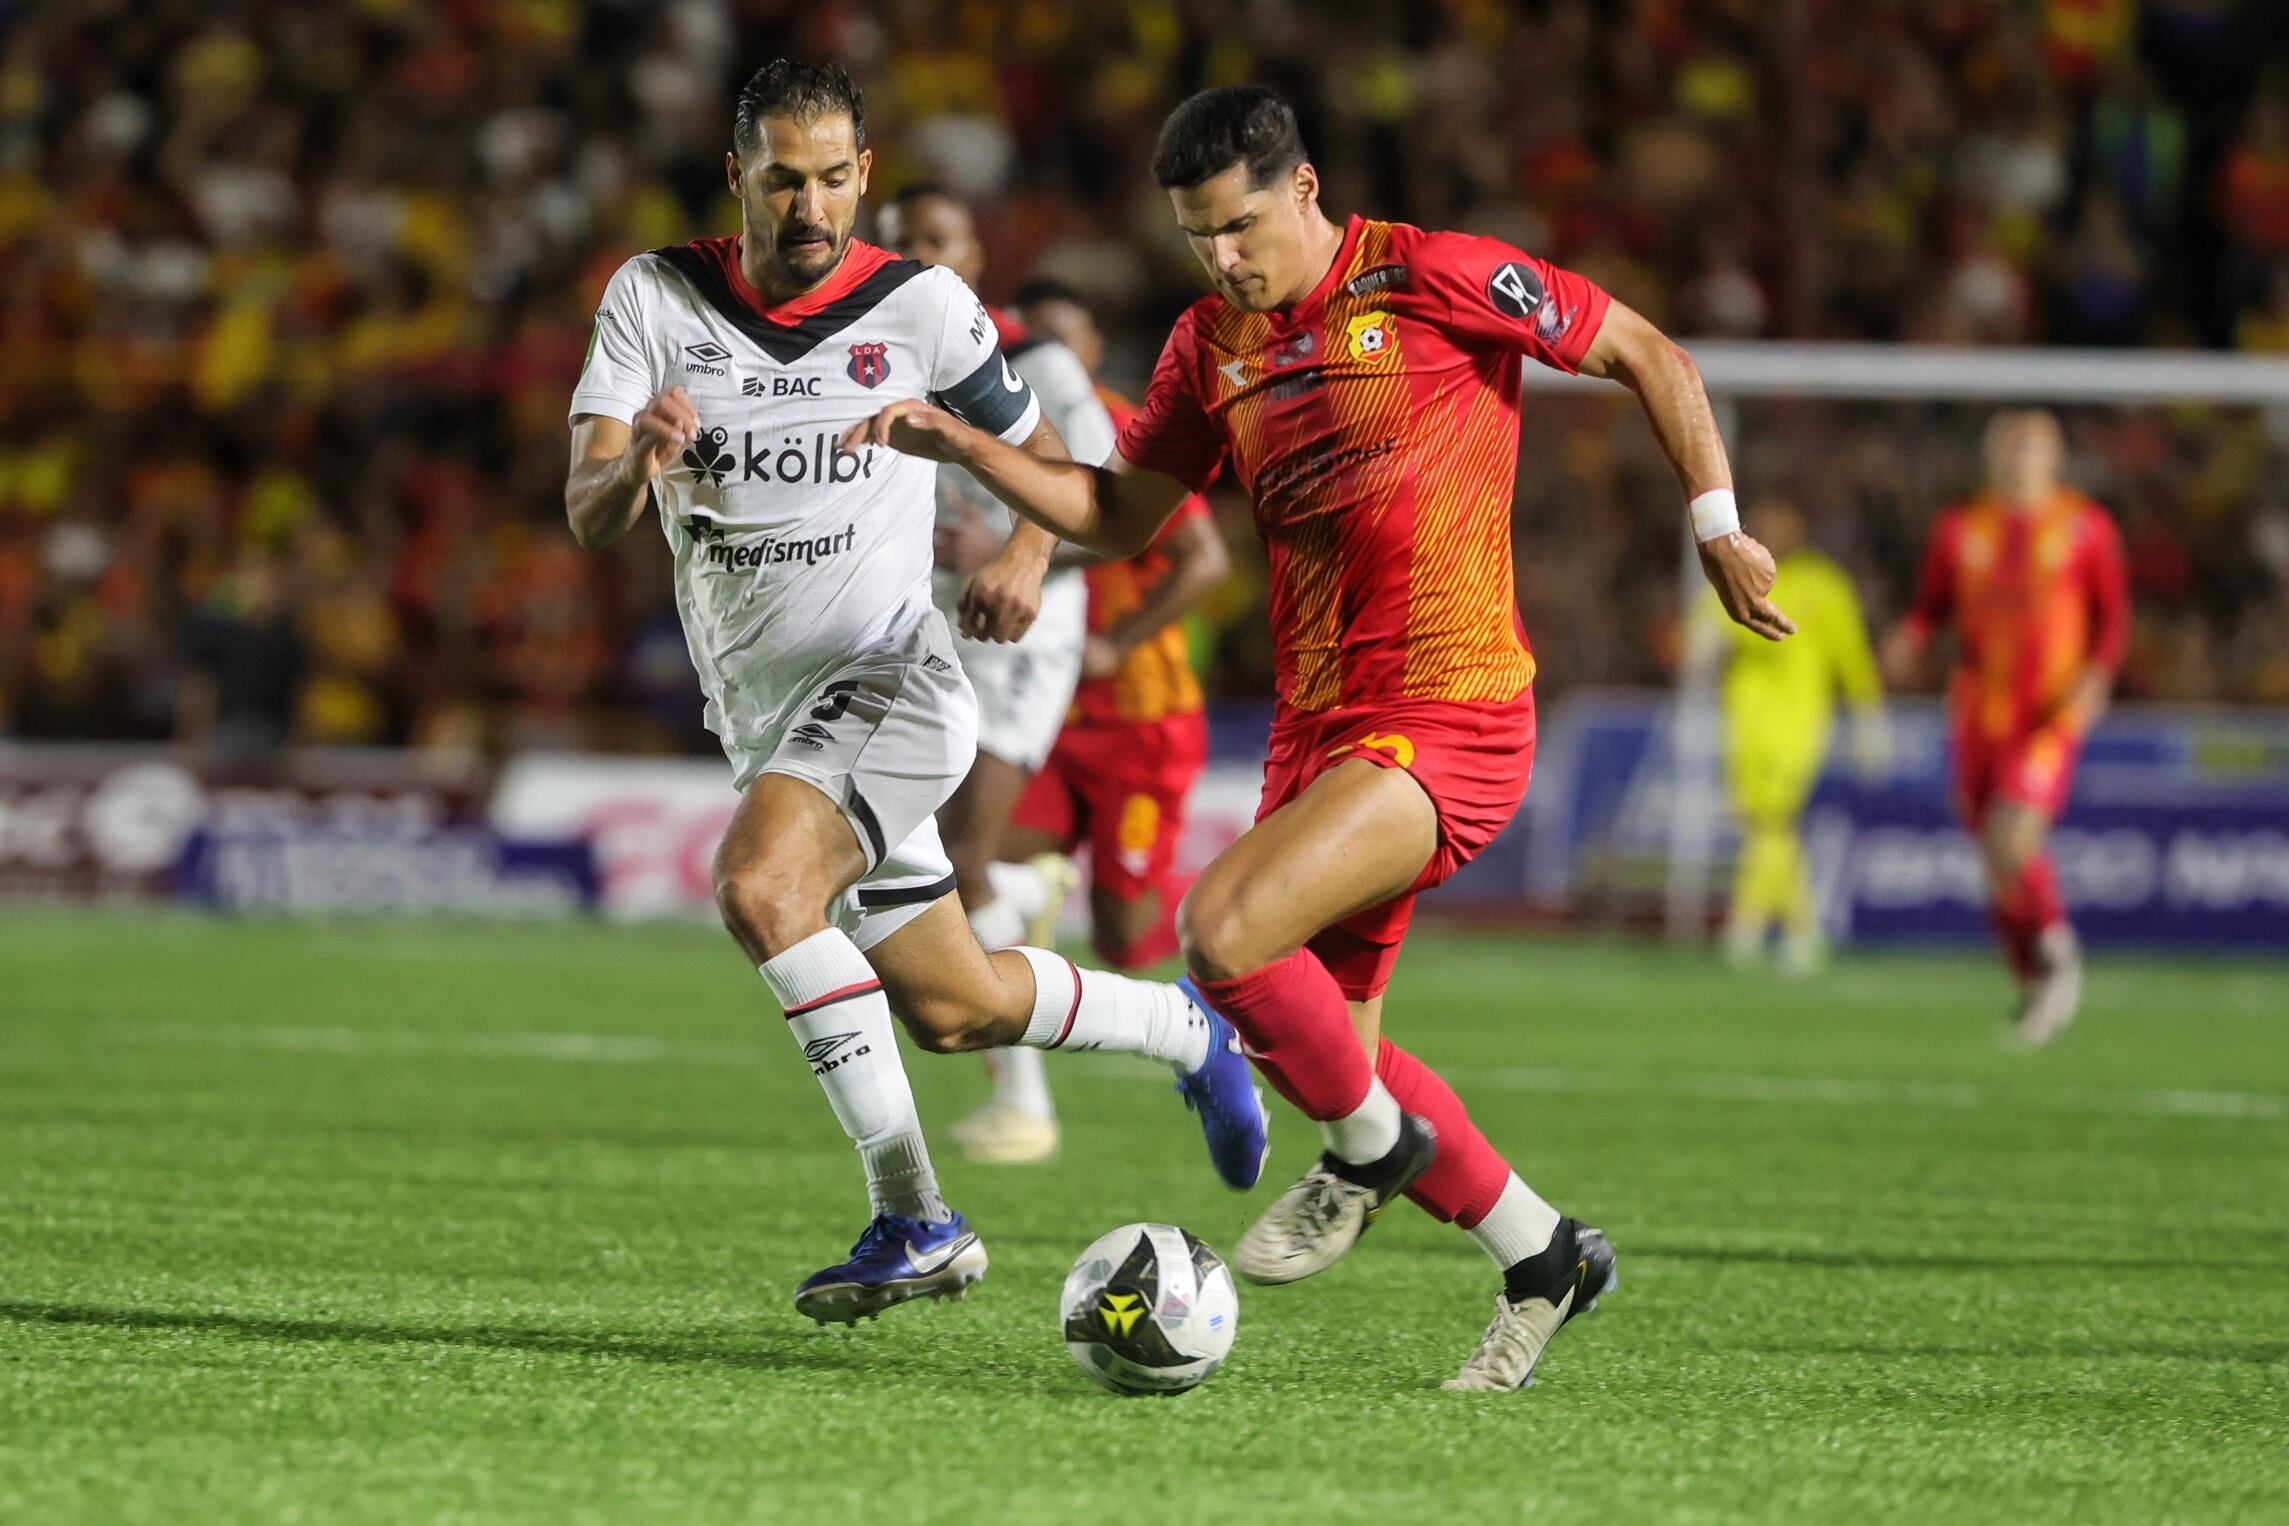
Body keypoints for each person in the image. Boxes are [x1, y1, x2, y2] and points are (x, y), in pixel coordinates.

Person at [845, 85, 1792, 1389]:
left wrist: (1716, 525)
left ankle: (1369, 1155)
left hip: (1452, 711)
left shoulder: (1433, 276)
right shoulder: (1207, 344)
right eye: (1195, 236)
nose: (1223, 257)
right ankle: (1544, 1253)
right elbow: (1122, 518)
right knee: (1335, 1051)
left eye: (1239, 225)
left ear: (1303, 190)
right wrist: (964, 442)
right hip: (1320, 728)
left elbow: (1648, 352)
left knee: (1221, 931)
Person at [562, 60, 1267, 1327]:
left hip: (891, 679)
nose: (810, 206)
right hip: (768, 720)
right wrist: (642, 465)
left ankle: (917, 1215)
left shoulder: (923, 307)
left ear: (865, 178)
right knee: (955, 1005)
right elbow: (588, 506)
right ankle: (1185, 1030)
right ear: (739, 177)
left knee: (762, 888)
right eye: (784, 179)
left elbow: (1055, 460)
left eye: (835, 178)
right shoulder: (653, 298)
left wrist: (1023, 550)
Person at [949, 275, 1233, 1160]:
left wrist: (1117, 641)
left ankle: (1246, 919)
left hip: (1143, 722)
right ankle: (1023, 1096)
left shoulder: (1125, 436)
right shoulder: (1008, 429)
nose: (1052, 361)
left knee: (1124, 934)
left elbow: (1201, 558)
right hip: (1057, 706)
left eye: (1066, 342)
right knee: (973, 862)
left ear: (1093, 346)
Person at [875, 186, 1109, 1167]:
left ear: (974, 253)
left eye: (938, 242)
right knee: (921, 848)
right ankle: (1025, 887)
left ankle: (1027, 1102)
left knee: (956, 858)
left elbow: (1106, 497)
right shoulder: (878, 358)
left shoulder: (1034, 361)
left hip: (1026, 634)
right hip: (933, 624)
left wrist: (1017, 549)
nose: (922, 259)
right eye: (902, 246)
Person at [1881, 411, 2130, 1046]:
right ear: (1992, 458)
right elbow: (1930, 607)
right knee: (1994, 861)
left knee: (2012, 835)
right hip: (1977, 713)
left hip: (2049, 713)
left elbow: (2113, 617)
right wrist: (1909, 640)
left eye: (2032, 448)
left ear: (2056, 459)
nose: (2019, 459)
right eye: (2009, 448)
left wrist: (2098, 677)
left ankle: (2057, 950)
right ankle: (2033, 981)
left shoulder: (2086, 529)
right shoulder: (1962, 529)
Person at [1686, 495, 1888, 975]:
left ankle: (1749, 927)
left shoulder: (1824, 585)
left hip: (1798, 721)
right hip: (1744, 719)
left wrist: (1868, 718)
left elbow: (1852, 657)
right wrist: (1702, 642)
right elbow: (1703, 631)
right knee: (1762, 822)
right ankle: (1801, 928)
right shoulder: (1741, 572)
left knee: (1772, 818)